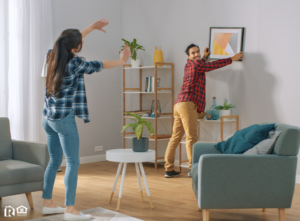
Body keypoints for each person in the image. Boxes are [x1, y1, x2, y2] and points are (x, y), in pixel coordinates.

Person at [41, 19, 130, 221]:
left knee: (54, 160)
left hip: (47, 117)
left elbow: (68, 41)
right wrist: (122, 61)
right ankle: (70, 209)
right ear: (76, 47)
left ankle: (47, 203)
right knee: (72, 161)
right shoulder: (75, 63)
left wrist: (91, 28)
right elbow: (99, 65)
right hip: (63, 119)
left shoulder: (51, 55)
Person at [164, 44, 243, 178]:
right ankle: (192, 169)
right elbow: (213, 66)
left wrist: (205, 56)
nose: (196, 54)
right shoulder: (196, 65)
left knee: (175, 138)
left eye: (197, 52)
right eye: (193, 53)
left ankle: (168, 169)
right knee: (191, 138)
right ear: (188, 56)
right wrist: (232, 58)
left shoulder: (189, 65)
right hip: (187, 105)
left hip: (179, 104)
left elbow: (202, 65)